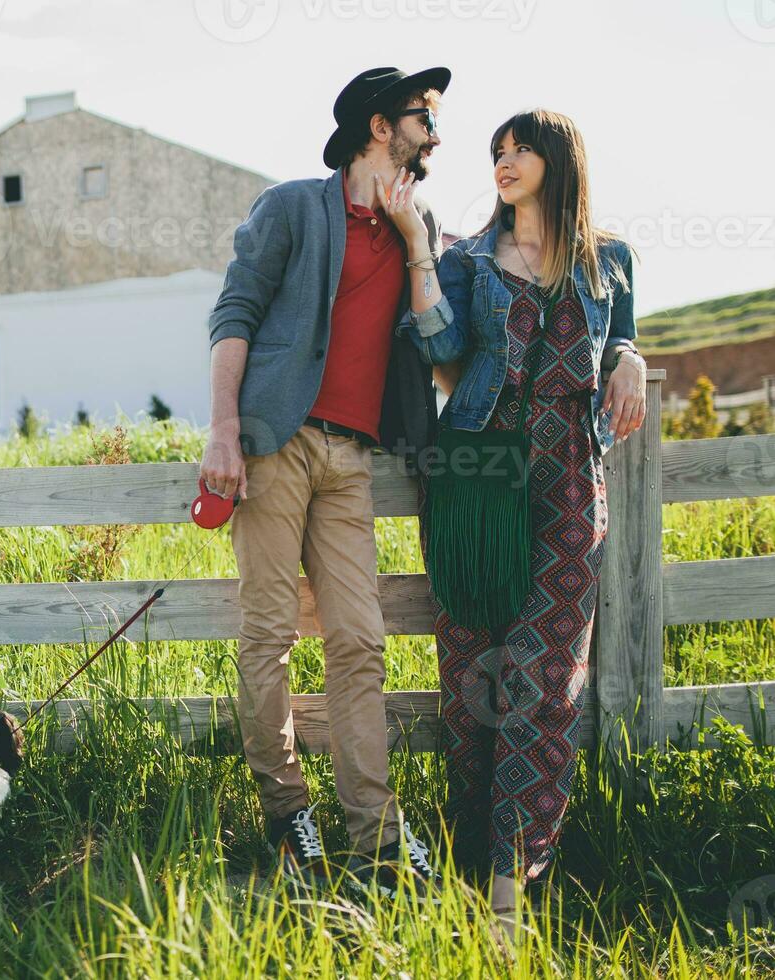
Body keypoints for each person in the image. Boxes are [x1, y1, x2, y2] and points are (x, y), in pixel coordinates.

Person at [387, 108, 647, 940]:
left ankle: (510, 887)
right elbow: (439, 347)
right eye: (495, 151)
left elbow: (623, 343)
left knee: (542, 679)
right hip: (475, 470)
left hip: (571, 472)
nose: (502, 161)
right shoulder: (467, 259)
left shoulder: (611, 259)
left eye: (519, 149)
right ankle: (471, 862)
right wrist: (421, 254)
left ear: (558, 159)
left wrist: (633, 358)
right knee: (474, 678)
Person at [201, 66, 455, 897]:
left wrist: (419, 246)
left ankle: (376, 837)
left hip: (353, 459)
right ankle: (288, 818)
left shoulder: (425, 226)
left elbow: (438, 345)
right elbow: (234, 312)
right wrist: (225, 430)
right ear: (381, 126)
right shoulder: (292, 209)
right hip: (275, 444)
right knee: (269, 635)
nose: (437, 132)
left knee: (360, 643)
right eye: (426, 116)